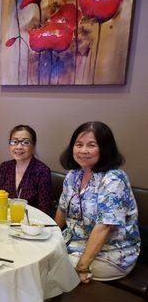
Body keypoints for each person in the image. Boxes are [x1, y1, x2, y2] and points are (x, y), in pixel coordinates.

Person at [55, 121, 140, 283]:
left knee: (49, 269)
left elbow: (105, 226)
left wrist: (82, 266)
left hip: (110, 254)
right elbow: (62, 209)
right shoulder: (73, 175)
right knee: (37, 256)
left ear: (105, 148)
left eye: (91, 145)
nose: (83, 150)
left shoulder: (114, 179)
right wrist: (48, 238)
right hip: (74, 243)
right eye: (78, 144)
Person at [0, 125, 54, 215]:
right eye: (14, 142)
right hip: (5, 220)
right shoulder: (4, 167)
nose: (19, 146)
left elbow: (45, 210)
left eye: (25, 142)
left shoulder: (42, 171)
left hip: (31, 223)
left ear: (33, 145)